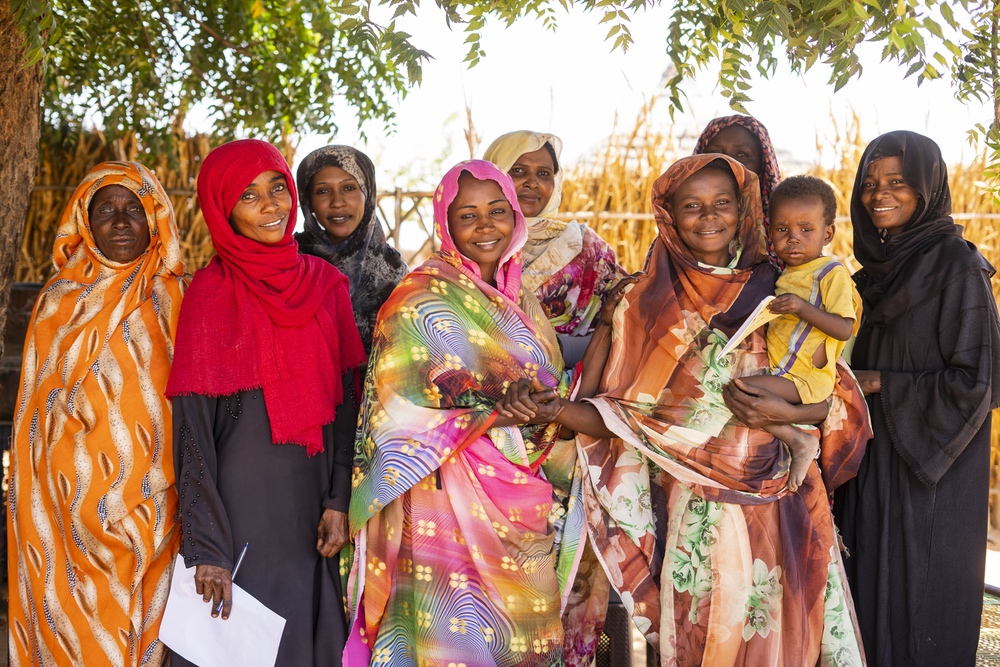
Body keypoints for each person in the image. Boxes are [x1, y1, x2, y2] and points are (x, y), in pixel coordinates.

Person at [500, 154, 871, 665]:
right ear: (669, 214)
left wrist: (781, 417)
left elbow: (831, 393)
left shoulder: (783, 285)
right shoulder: (641, 302)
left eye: (723, 203)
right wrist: (554, 410)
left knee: (785, 646)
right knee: (705, 644)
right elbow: (618, 416)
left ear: (745, 211)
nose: (709, 216)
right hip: (692, 514)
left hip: (780, 499)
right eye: (691, 205)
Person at [345, 160, 597, 666]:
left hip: (522, 499)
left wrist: (538, 402)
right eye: (468, 215)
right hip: (442, 500)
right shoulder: (418, 298)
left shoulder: (524, 299)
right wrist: (493, 413)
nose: (486, 226)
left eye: (498, 211)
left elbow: (549, 387)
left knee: (521, 634)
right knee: (447, 635)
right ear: (445, 224)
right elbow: (393, 409)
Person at [166, 139, 366, 666]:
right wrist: (207, 545)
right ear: (223, 209)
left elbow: (347, 403)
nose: (272, 205)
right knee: (236, 644)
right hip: (238, 511)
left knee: (304, 638)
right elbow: (192, 430)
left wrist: (339, 498)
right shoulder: (209, 296)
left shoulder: (326, 286)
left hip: (311, 506)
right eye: (249, 196)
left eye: (277, 188)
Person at [7, 161, 186, 666]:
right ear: (85, 222)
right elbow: (33, 426)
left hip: (158, 516)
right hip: (69, 520)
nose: (122, 220)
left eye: (135, 209)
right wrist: (79, 501)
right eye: (106, 210)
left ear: (156, 219)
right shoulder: (57, 305)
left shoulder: (178, 297)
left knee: (151, 643)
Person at [833, 130, 1000, 666]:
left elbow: (980, 379)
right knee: (873, 598)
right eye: (870, 183)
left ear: (927, 188)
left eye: (897, 182)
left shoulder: (956, 266)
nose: (878, 194)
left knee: (921, 600)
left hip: (932, 476)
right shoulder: (882, 271)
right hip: (878, 461)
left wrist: (882, 382)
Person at [737, 176, 861, 491]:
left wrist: (801, 308)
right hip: (785, 370)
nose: (793, 239)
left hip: (803, 377)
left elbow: (845, 328)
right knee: (742, 396)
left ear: (827, 233)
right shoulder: (786, 275)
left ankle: (800, 437)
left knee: (738, 390)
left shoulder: (831, 274)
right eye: (782, 230)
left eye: (806, 230)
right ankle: (805, 420)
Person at [482, 130, 626, 363]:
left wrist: (559, 348)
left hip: (574, 388)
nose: (532, 182)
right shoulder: (475, 243)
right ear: (493, 175)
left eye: (544, 174)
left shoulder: (585, 247)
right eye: (518, 170)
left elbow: (625, 329)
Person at [295, 145, 408, 355]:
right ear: (308, 201)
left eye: (349, 188)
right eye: (323, 191)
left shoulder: (396, 273)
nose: (337, 202)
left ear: (367, 193)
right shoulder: (290, 265)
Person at [694, 114, 783, 264]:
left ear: (763, 166)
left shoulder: (786, 230)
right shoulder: (680, 230)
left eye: (742, 155)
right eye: (715, 154)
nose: (728, 163)